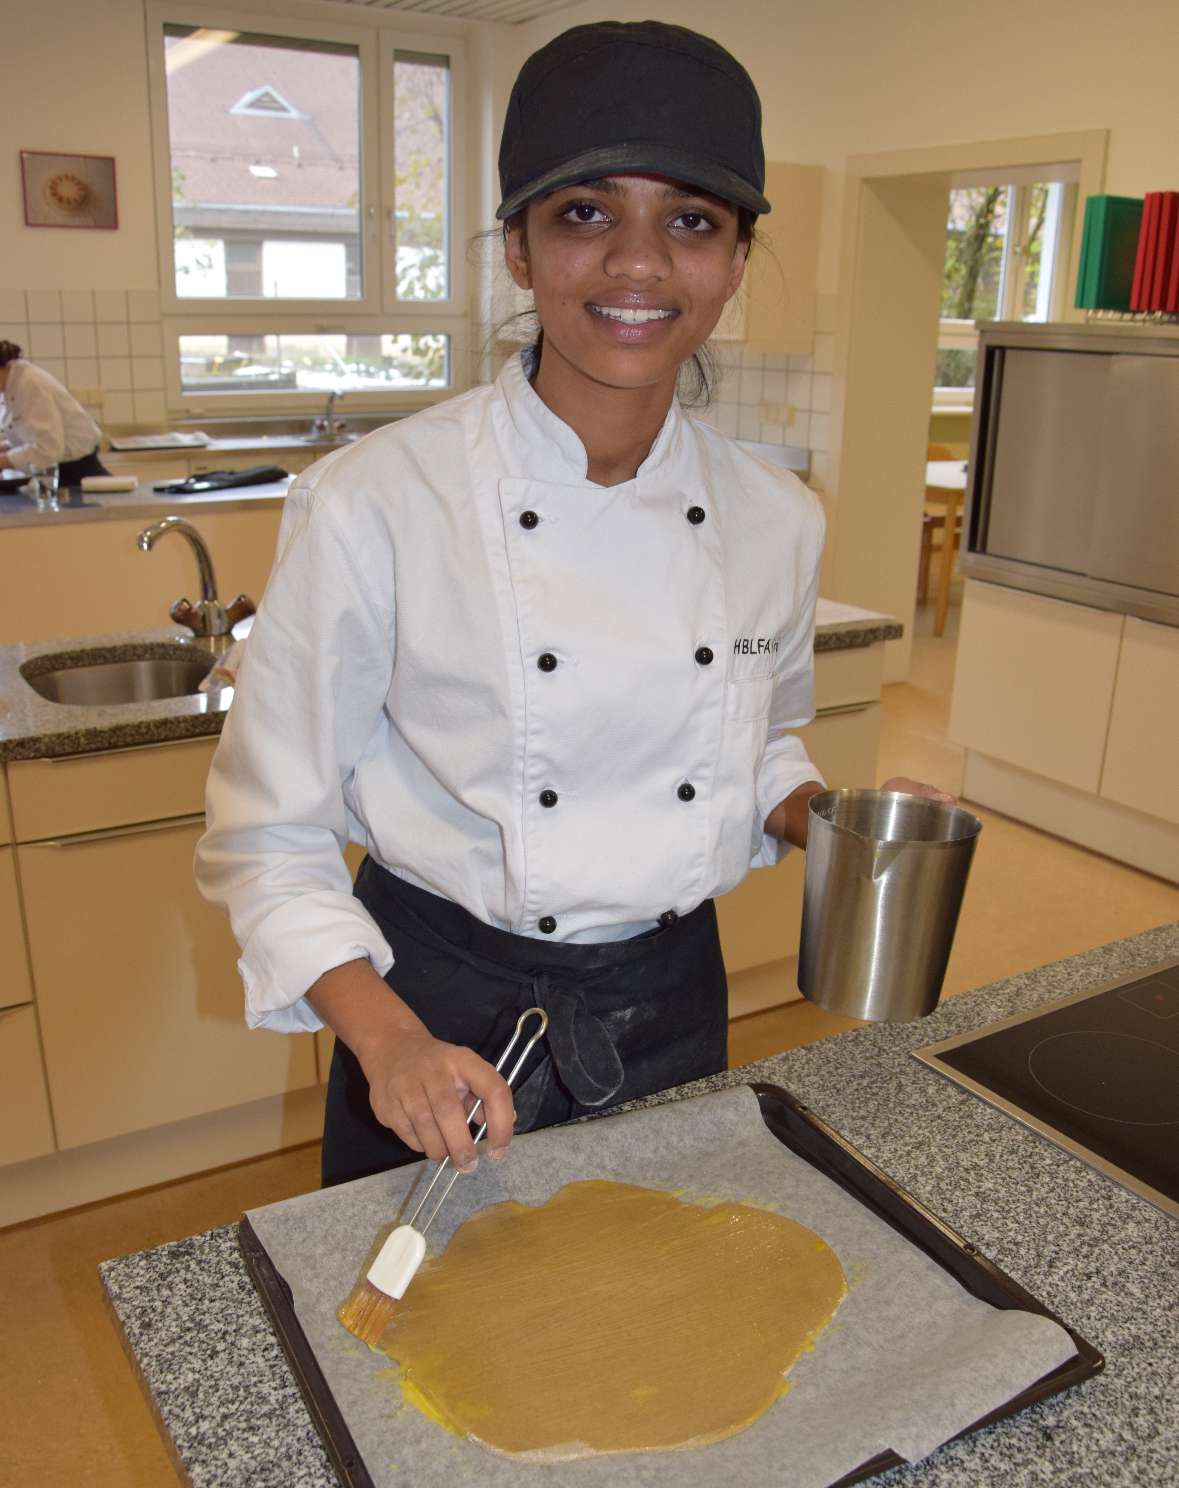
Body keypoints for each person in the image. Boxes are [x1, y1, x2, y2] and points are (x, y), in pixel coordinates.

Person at [195, 20, 948, 1189]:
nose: (639, 265)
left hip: (669, 1002)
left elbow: (760, 741)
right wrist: (386, 1041)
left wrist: (831, 817)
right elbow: (267, 834)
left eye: (691, 221)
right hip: (432, 1014)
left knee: (655, 1334)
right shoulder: (377, 501)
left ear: (739, 257)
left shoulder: (774, 515)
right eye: (586, 213)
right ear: (517, 246)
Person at [0, 340, 110, 485]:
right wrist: (6, 447)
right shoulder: (10, 385)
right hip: (55, 472)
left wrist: (4, 461)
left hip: (76, 473)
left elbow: (48, 449)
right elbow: (30, 434)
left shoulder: (30, 384)